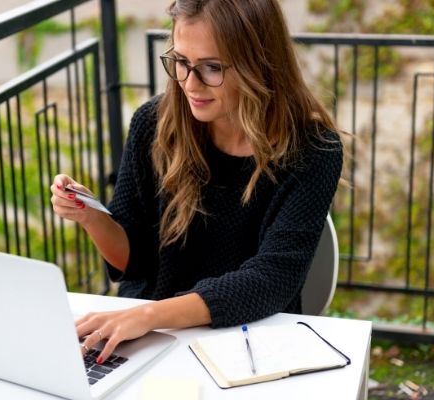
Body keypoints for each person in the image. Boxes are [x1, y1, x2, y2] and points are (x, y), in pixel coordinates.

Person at [51, 0, 343, 364]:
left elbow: (272, 280)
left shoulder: (312, 149)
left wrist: (148, 316)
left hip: (249, 342)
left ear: (260, 63)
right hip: (147, 339)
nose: (190, 83)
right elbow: (133, 262)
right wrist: (91, 216)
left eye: (211, 67)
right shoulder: (153, 125)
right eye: (181, 62)